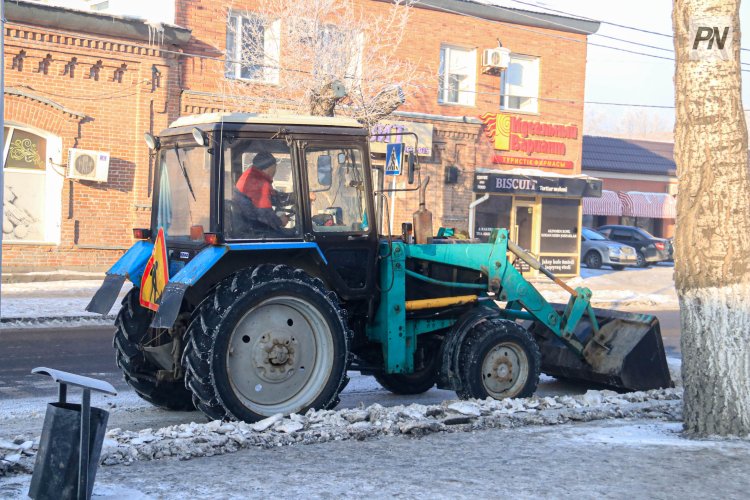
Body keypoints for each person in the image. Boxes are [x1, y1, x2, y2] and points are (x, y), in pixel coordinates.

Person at [232, 152, 290, 234]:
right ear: (270, 167)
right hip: (252, 230)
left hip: (249, 225)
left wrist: (297, 198)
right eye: (275, 167)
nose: (275, 170)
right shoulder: (259, 183)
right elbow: (265, 215)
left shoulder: (253, 176)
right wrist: (280, 221)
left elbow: (275, 198)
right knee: (292, 235)